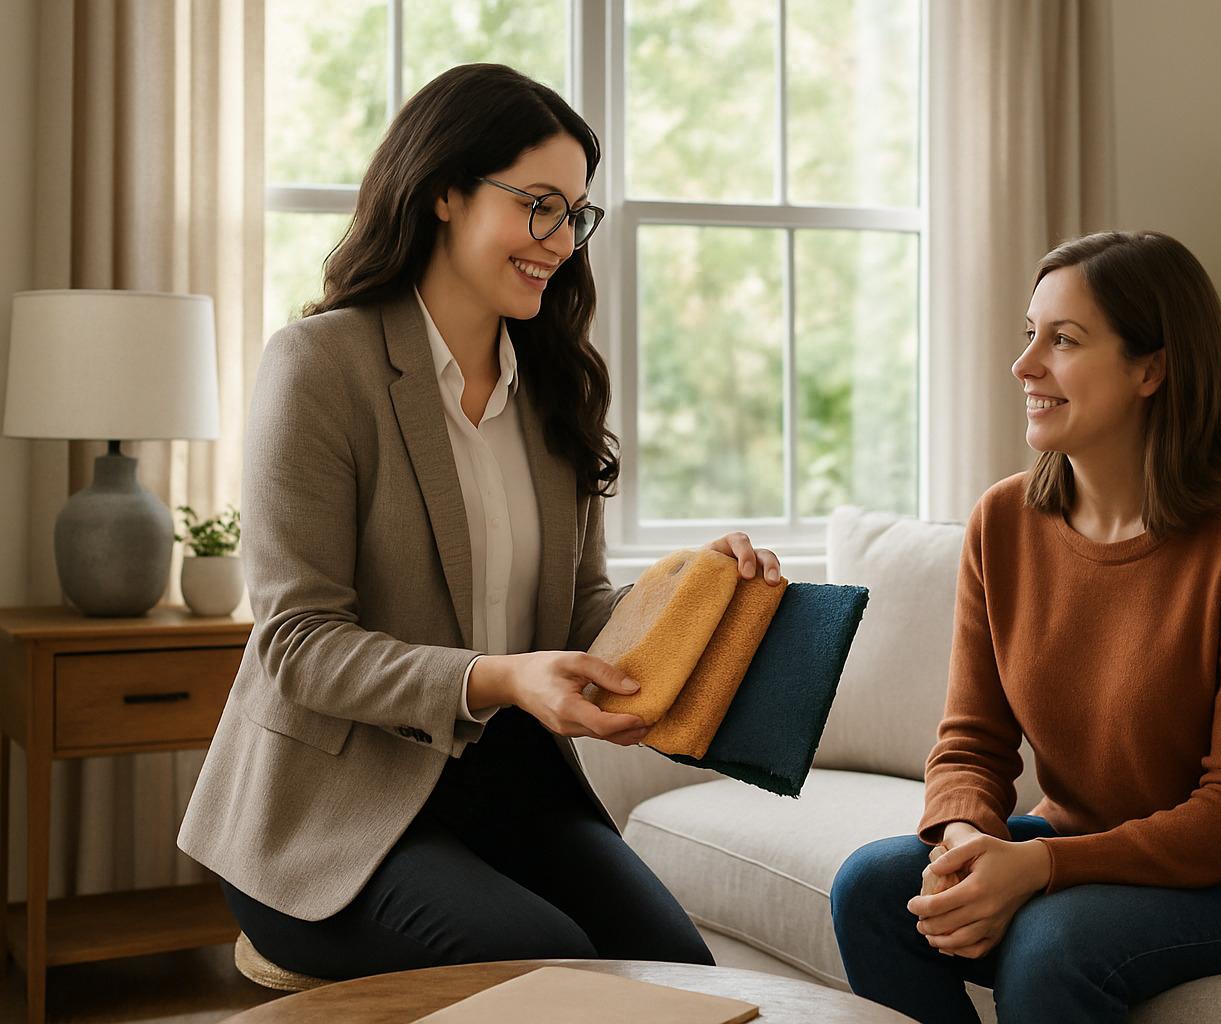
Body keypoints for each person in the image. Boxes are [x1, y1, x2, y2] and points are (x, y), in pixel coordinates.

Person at [178, 63, 779, 979]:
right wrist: (497, 679)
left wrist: (694, 588)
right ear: (446, 192)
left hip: (511, 791)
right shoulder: (319, 365)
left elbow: (579, 612)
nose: (562, 240)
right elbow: (295, 642)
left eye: (576, 214)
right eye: (539, 204)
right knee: (550, 971)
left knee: (681, 978)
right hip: (327, 813)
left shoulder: (557, 386)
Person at [829, 231, 1221, 1023]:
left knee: (1054, 941)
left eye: (1064, 340)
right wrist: (965, 839)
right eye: (1029, 334)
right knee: (873, 888)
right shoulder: (1004, 521)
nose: (1026, 364)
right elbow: (971, 739)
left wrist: (1039, 865)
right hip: (1095, 845)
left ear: (1152, 368)